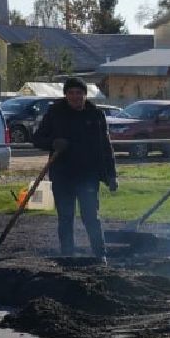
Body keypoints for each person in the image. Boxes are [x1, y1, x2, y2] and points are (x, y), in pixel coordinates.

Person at [32, 78, 117, 261]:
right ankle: (67, 254)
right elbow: (37, 139)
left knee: (91, 216)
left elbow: (106, 146)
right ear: (66, 95)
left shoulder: (95, 115)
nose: (75, 96)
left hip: (88, 175)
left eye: (79, 93)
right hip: (62, 175)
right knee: (65, 216)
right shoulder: (55, 113)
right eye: (71, 93)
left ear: (85, 95)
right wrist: (53, 143)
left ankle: (100, 254)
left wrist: (111, 174)